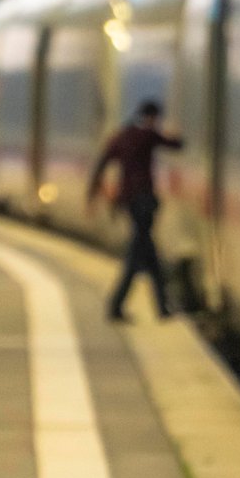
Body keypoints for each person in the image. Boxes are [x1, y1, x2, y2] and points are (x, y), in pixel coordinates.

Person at [89, 100, 185, 322]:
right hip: (143, 201)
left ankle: (162, 308)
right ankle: (116, 306)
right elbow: (176, 144)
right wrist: (176, 133)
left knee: (150, 255)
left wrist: (93, 193)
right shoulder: (148, 135)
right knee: (137, 256)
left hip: (128, 202)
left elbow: (103, 161)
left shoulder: (123, 135)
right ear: (152, 117)